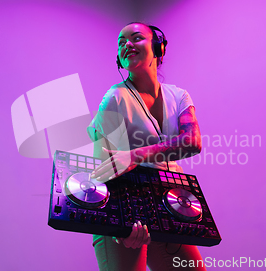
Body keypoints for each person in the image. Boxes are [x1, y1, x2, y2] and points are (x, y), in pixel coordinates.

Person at [87, 22, 206, 271]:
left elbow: (192, 142)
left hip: (166, 206)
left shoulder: (179, 96)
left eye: (136, 38)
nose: (127, 44)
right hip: (121, 211)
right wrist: (119, 226)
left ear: (157, 47)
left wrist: (134, 155)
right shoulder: (114, 99)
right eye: (121, 42)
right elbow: (102, 170)